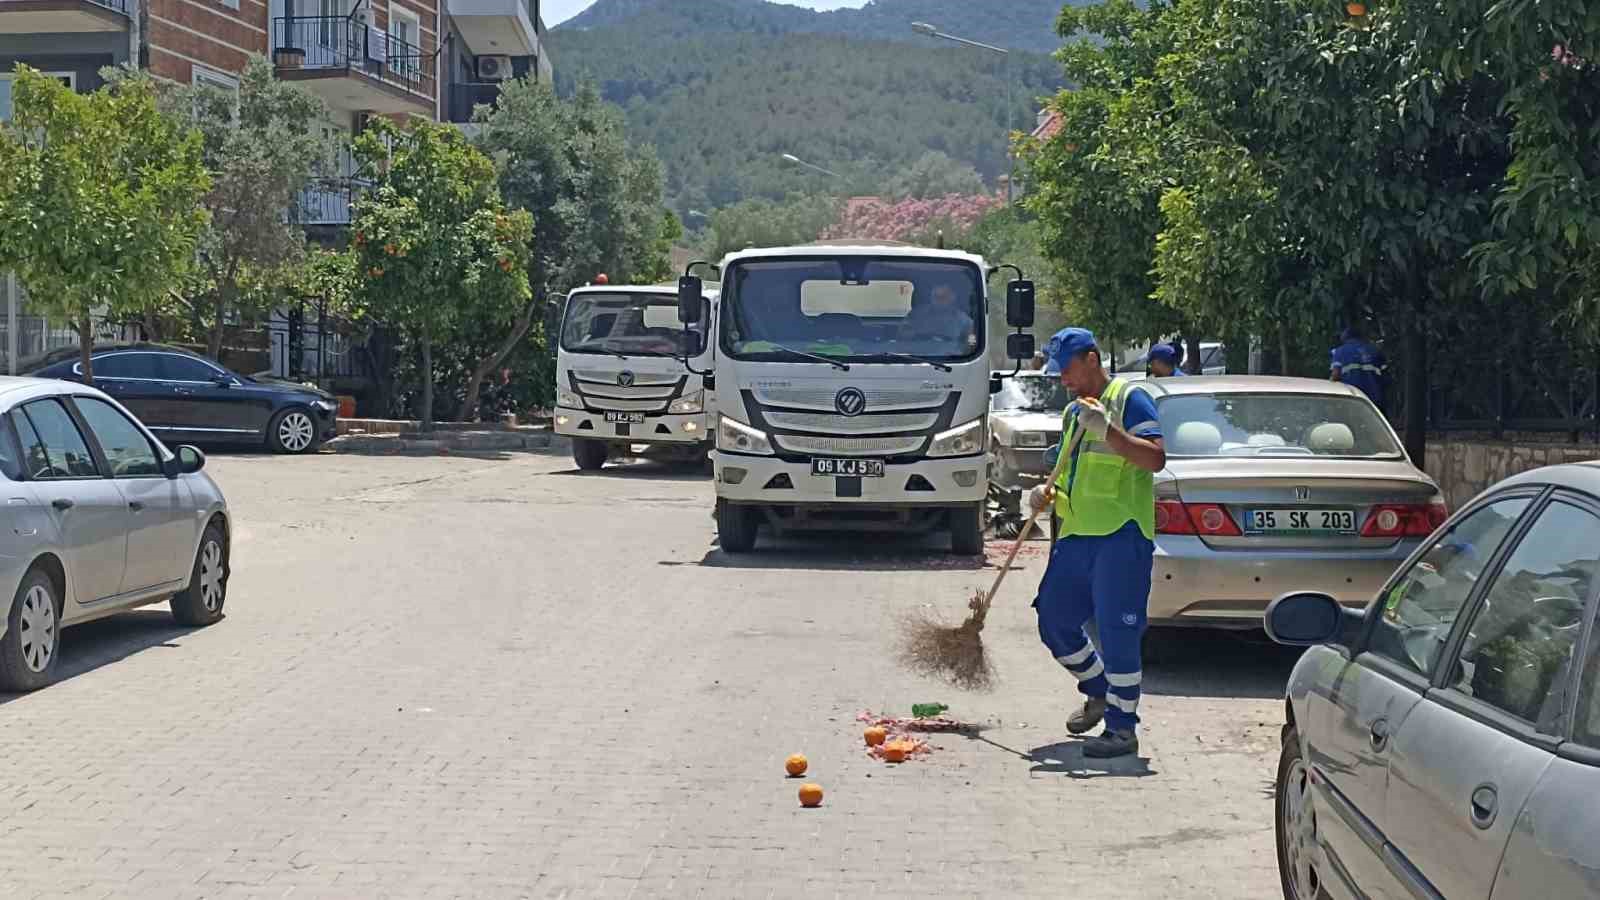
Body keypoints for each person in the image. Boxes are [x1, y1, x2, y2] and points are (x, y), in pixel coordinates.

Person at [1027, 327, 1166, 759]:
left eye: (1067, 370)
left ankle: (1123, 729)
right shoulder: (1073, 412)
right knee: (1053, 618)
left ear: (1091, 359)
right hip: (1076, 535)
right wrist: (1043, 493)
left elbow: (1156, 458)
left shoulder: (1130, 399)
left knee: (1116, 630)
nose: (1064, 380)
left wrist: (1109, 431)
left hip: (1121, 536)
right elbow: (1068, 468)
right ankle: (1100, 689)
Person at [900, 282, 976, 346]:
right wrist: (918, 335)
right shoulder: (916, 315)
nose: (938, 301)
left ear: (953, 297)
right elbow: (902, 335)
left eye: (943, 297)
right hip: (917, 356)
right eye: (936, 297)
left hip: (951, 360)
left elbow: (971, 343)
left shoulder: (965, 321)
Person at [1330, 326, 1386, 407]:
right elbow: (1385, 376)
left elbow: (1335, 376)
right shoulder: (1374, 350)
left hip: (1352, 397)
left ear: (1345, 337)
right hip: (1374, 397)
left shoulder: (1340, 351)